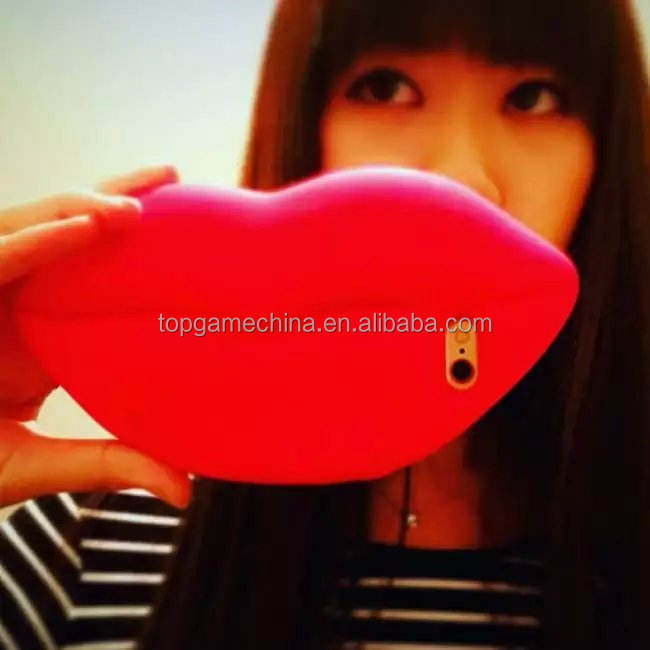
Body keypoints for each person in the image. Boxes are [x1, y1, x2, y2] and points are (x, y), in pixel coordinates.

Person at [1, 0, 649, 648]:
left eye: (533, 99)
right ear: (304, 126)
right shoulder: (75, 553)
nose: (465, 179)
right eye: (386, 88)